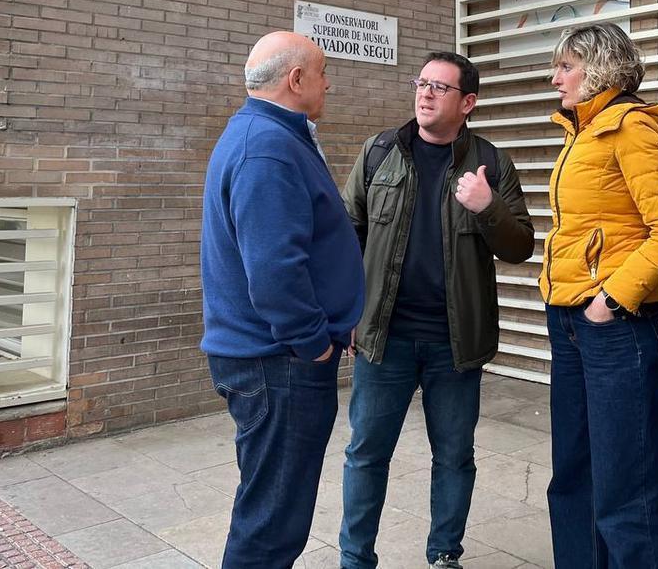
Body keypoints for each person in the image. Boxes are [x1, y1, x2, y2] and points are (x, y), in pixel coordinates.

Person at [339, 51, 534, 569]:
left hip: (455, 342)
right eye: (421, 83)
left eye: (439, 87)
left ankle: (444, 553)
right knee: (366, 454)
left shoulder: (491, 162)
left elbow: (520, 246)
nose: (424, 94)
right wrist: (346, 315)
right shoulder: (380, 152)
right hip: (385, 337)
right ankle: (355, 558)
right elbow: (345, 236)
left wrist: (486, 206)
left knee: (453, 456)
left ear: (467, 102)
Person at [200, 31, 364, 569]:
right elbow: (274, 272)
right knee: (272, 524)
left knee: (272, 511)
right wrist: (313, 344)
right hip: (279, 363)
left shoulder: (269, 134)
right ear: (296, 79)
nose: (328, 83)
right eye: (321, 73)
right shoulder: (266, 147)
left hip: (275, 360)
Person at [542, 22, 658, 568]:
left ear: (599, 67)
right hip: (569, 318)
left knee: (628, 485)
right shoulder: (579, 130)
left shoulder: (629, 128)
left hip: (614, 326)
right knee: (573, 474)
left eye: (566, 67)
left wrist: (613, 300)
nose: (555, 78)